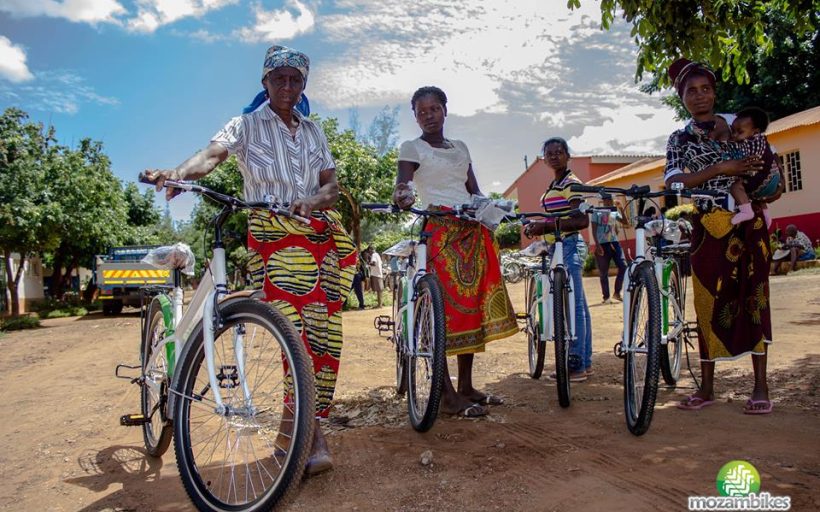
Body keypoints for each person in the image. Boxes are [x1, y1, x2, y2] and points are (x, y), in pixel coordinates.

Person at [143, 45, 356, 473]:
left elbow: (332, 186)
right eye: (279, 78)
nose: (287, 86)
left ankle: (295, 427)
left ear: (303, 86)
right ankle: (310, 434)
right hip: (272, 234)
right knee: (293, 330)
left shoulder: (314, 131)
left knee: (326, 336)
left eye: (295, 80)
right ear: (265, 82)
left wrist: (313, 199)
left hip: (317, 233)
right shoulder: (245, 125)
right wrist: (177, 173)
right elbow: (210, 156)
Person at [393, 86, 518, 418]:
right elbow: (402, 185)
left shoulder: (461, 148)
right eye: (422, 111)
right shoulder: (412, 147)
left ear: (445, 110)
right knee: (443, 312)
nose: (429, 115)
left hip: (471, 232)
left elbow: (473, 190)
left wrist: (493, 207)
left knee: (471, 308)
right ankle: (445, 392)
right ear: (415, 116)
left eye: (434, 109)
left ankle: (465, 385)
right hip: (440, 233)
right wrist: (403, 196)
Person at [664, 58, 779, 414]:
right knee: (706, 302)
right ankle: (707, 388)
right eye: (691, 91)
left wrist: (762, 185)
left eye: (706, 89)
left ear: (715, 92)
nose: (700, 97)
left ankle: (760, 386)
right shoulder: (679, 139)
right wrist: (721, 169)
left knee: (754, 299)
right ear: (681, 97)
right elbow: (673, 182)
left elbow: (770, 172)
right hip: (707, 226)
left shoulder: (740, 125)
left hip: (749, 224)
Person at [523, 137, 593, 382]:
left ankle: (576, 365)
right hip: (558, 247)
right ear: (544, 158)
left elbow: (581, 221)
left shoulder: (572, 184)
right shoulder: (557, 183)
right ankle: (585, 362)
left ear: (567, 155)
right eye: (549, 153)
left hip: (570, 245)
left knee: (573, 307)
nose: (554, 156)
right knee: (579, 306)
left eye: (559, 152)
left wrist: (545, 225)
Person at [726, 107, 783, 226]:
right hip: (774, 180)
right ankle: (767, 218)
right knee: (759, 199)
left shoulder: (747, 145)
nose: (734, 136)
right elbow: (772, 154)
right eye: (733, 131)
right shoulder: (761, 140)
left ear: (755, 132)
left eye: (739, 132)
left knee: (736, 187)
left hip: (762, 181)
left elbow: (743, 164)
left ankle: (746, 212)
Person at [590, 194, 628, 303]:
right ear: (603, 201)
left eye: (610, 200)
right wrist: (597, 245)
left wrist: (620, 208)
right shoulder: (596, 212)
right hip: (602, 244)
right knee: (603, 272)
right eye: (607, 200)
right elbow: (594, 229)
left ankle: (617, 292)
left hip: (614, 242)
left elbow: (625, 223)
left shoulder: (613, 211)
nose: (609, 202)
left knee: (623, 266)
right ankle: (606, 297)